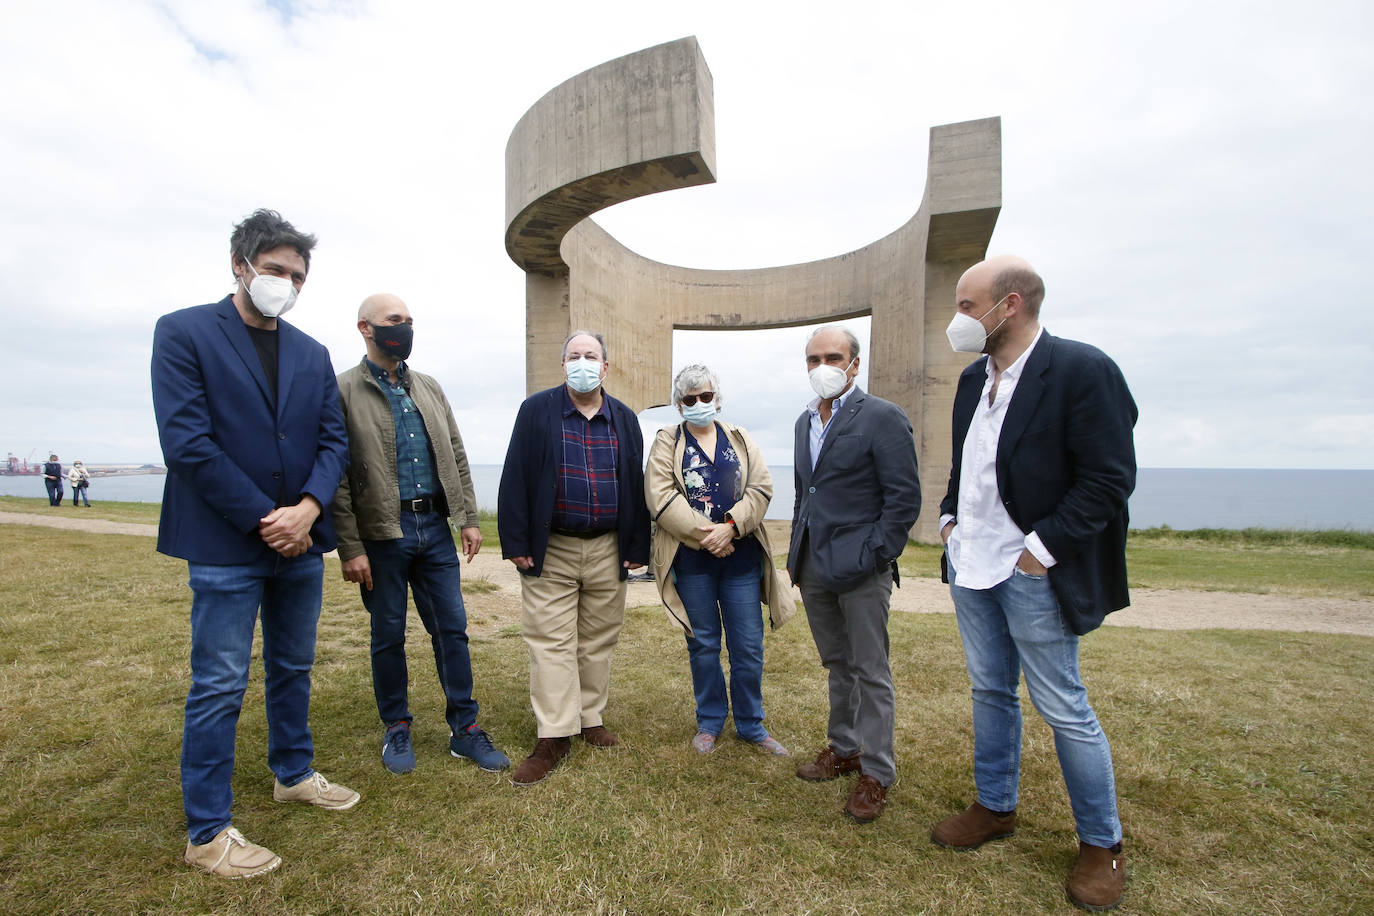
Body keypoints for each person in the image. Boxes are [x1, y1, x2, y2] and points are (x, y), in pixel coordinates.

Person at [151, 209, 356, 880]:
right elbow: (188, 443)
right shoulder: (182, 333)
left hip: (301, 540)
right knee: (218, 682)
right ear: (241, 265)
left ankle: (292, 773)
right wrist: (266, 517)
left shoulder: (311, 352)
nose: (287, 283)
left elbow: (333, 440)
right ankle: (208, 832)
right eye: (276, 270)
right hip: (225, 543)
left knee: (293, 667)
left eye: (298, 275)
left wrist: (307, 509)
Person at [930, 255, 1136, 912]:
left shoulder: (1081, 370)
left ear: (1009, 304)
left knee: (1064, 708)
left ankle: (1102, 844)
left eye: (966, 305)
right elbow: (970, 460)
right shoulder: (972, 380)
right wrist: (948, 515)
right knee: (991, 689)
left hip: (1032, 571)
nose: (958, 320)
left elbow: (1108, 478)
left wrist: (1040, 552)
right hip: (972, 564)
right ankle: (995, 805)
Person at [332, 293, 510, 775]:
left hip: (433, 528)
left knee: (451, 629)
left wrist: (467, 517)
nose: (405, 329)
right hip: (380, 536)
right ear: (365, 328)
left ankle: (465, 730)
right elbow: (337, 474)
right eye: (395, 321)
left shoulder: (428, 387)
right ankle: (397, 726)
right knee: (387, 634)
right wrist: (350, 546)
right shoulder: (342, 390)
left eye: (409, 321)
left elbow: (455, 450)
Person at [497, 330, 650, 786]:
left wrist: (636, 547)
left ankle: (589, 718)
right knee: (550, 641)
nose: (582, 363)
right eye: (574, 356)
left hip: (607, 546)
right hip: (553, 545)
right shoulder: (536, 411)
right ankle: (553, 735)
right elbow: (516, 476)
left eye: (591, 356)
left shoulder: (623, 417)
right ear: (563, 364)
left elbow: (635, 483)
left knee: (598, 639)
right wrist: (517, 541)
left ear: (606, 367)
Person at [787, 325, 921, 824]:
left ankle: (877, 772)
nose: (823, 365)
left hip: (862, 567)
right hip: (815, 566)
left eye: (833, 356)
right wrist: (798, 555)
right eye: (813, 358)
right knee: (837, 664)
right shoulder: (804, 422)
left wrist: (874, 554)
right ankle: (844, 748)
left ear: (854, 363)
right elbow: (808, 493)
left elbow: (903, 499)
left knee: (871, 669)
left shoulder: (883, 417)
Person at [645, 364, 795, 757]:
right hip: (692, 561)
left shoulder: (740, 438)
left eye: (705, 397)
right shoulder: (667, 440)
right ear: (680, 405)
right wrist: (707, 537)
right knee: (704, 644)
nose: (699, 404)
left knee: (748, 646)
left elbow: (761, 488)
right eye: (690, 399)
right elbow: (660, 496)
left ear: (717, 398)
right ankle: (709, 721)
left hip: (741, 559)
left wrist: (731, 527)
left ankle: (751, 724)